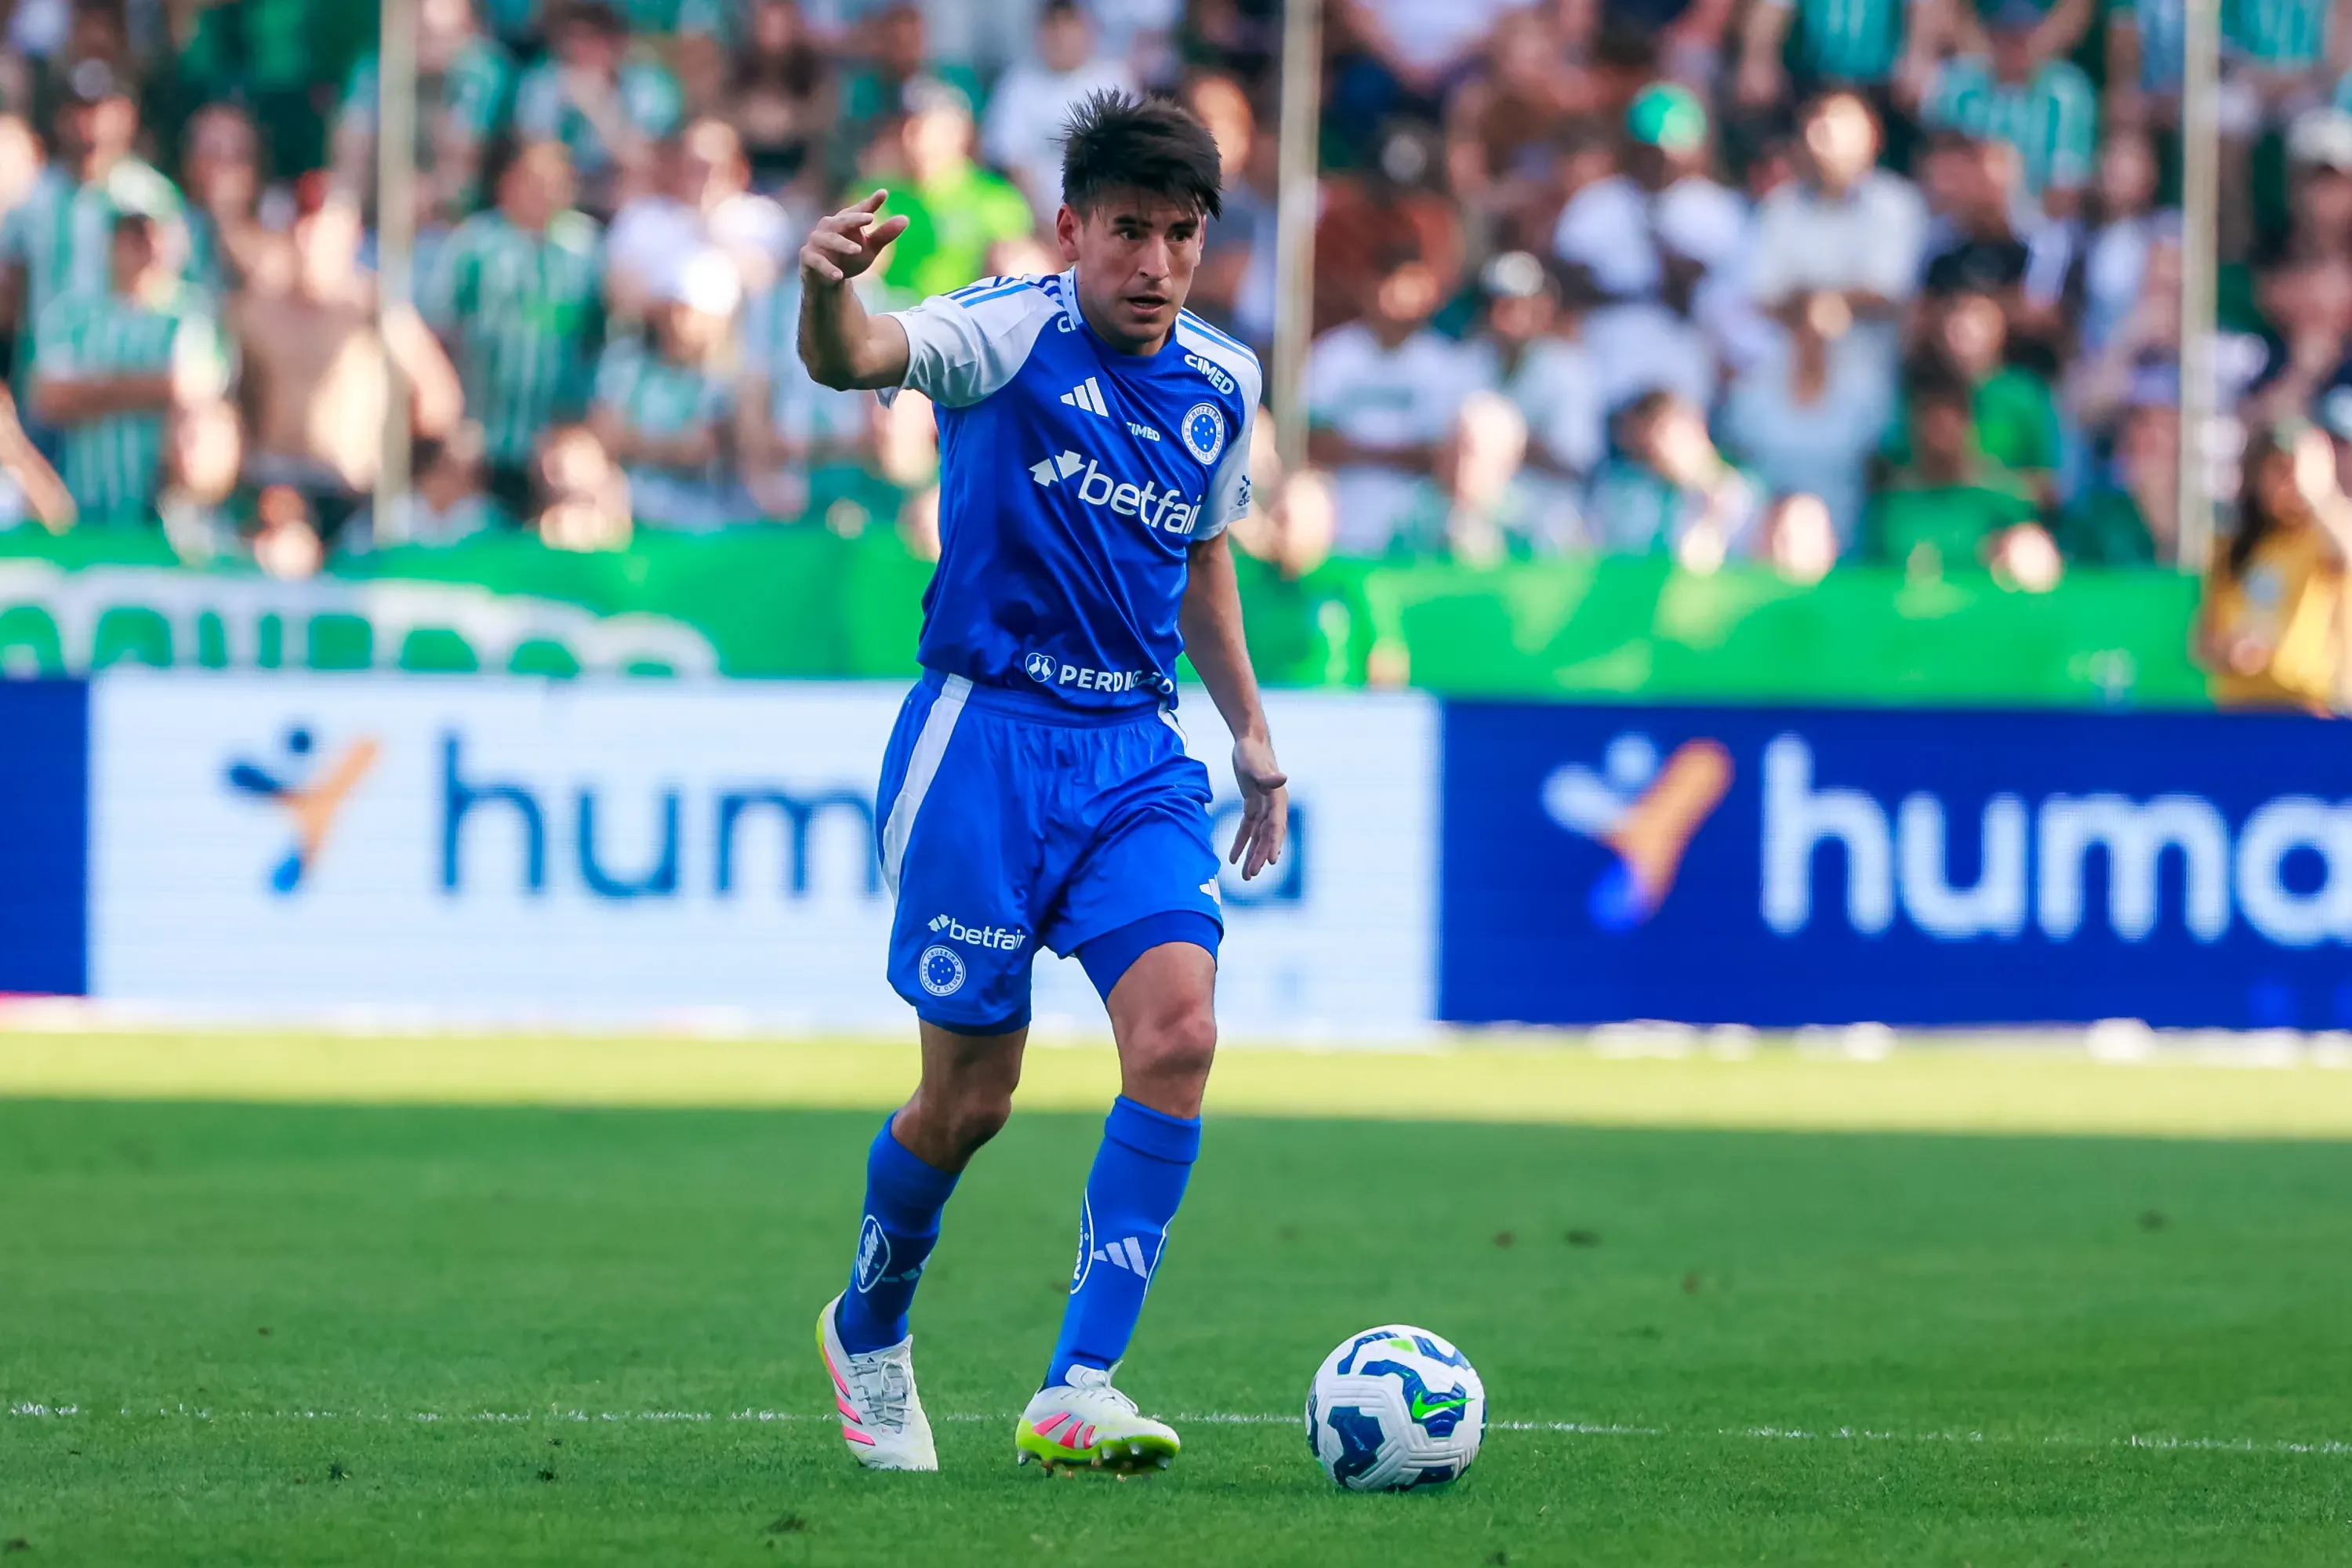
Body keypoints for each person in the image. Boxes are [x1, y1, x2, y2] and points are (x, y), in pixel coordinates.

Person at [795, 88, 1287, 1475]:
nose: (1155, 266)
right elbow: (858, 357)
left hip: (1135, 752)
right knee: (971, 1102)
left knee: (1180, 1035)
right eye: (1128, 232)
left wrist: (1248, 733)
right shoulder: (1005, 331)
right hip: (983, 745)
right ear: (1073, 227)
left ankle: (1079, 1381)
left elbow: (1200, 554)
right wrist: (825, 294)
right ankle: (870, 1325)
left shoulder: (1222, 382)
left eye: (1181, 237)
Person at [234, 191, 463, 540]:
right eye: (302, 232)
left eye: (321, 234)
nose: (309, 245)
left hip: (349, 490)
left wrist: (398, 468)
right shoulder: (255, 311)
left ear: (350, 239)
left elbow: (438, 403)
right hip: (271, 488)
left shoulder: (374, 308)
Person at [424, 139, 606, 516]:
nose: (545, 193)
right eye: (534, 181)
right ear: (507, 184)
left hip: (554, 441)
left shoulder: (586, 250)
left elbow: (599, 342)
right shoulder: (474, 246)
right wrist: (453, 421)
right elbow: (440, 334)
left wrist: (580, 429)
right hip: (481, 435)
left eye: (556, 182)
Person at [30, 212, 231, 524]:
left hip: (167, 511)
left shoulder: (193, 313)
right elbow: (50, 399)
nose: (150, 249)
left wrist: (94, 390)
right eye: (136, 239)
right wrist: (150, 387)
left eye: (158, 237)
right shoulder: (75, 315)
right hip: (86, 503)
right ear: (113, 245)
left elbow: (191, 390)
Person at [1303, 249, 1481, 554]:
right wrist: (1397, 453)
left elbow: (1441, 456)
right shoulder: (1333, 353)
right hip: (1339, 511)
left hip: (1415, 520)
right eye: (1392, 284)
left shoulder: (1444, 362)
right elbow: (1312, 442)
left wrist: (1355, 449)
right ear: (1370, 289)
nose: (1400, 296)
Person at [2197, 420, 2350, 713]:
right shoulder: (2230, 547)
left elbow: (2347, 551)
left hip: (2307, 709)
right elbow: (2203, 641)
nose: (2291, 481)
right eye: (2280, 469)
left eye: (2298, 470)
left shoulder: (2321, 541)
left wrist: (2321, 493)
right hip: (2240, 709)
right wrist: (2231, 651)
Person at [587, 249, 744, 529]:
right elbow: (603, 440)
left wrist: (634, 442)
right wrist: (671, 447)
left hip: (701, 526)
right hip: (622, 517)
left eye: (689, 313)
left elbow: (699, 451)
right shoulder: (624, 363)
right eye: (671, 311)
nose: (677, 324)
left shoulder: (727, 379)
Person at [849, 80, 1033, 305]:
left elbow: (1016, 265)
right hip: (893, 318)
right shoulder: (878, 193)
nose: (912, 135)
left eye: (925, 125)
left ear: (960, 133)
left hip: (966, 318)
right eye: (908, 124)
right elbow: (858, 265)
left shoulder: (994, 198)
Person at [982, 0, 1136, 227]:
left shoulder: (1116, 80)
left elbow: (1127, 161)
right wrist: (1047, 223)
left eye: (1069, 25)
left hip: (1104, 217)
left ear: (1089, 30)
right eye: (1052, 26)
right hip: (1035, 222)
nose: (1060, 36)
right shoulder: (1017, 84)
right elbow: (1013, 165)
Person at [1587, 388, 1768, 568]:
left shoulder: (1746, 490)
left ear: (1694, 425)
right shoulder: (1654, 497)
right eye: (1645, 452)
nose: (1659, 454)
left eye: (1663, 434)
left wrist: (1712, 523)